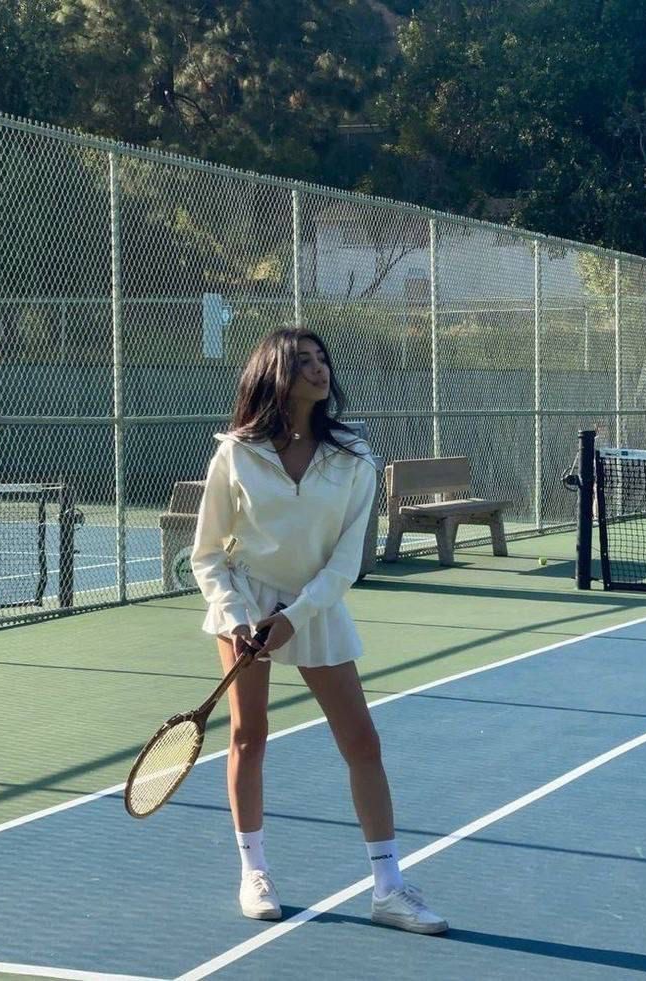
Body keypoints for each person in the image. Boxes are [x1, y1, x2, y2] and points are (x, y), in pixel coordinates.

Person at [191, 327, 447, 934]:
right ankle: (253, 871)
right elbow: (208, 555)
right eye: (302, 361)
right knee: (248, 737)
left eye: (322, 358)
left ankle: (388, 887)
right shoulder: (235, 453)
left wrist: (294, 618)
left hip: (316, 607)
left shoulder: (354, 454)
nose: (318, 369)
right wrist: (238, 614)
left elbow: (344, 560)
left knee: (363, 742)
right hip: (245, 604)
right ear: (274, 374)